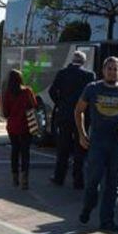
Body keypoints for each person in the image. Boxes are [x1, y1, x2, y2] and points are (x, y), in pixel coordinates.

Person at [76, 56, 118, 233]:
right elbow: (79, 111)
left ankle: (107, 220)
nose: (112, 71)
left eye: (115, 69)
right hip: (97, 142)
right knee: (93, 181)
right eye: (109, 68)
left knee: (113, 183)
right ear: (103, 70)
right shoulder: (92, 88)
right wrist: (81, 134)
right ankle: (87, 207)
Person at [49, 50, 96, 188]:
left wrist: (60, 103)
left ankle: (59, 177)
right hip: (82, 116)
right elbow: (92, 96)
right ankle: (78, 180)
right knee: (80, 148)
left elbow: (52, 91)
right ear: (83, 61)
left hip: (64, 115)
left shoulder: (62, 73)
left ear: (72, 60)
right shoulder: (89, 75)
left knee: (63, 148)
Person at [2, 69, 39, 189]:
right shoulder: (27, 91)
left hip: (12, 127)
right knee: (25, 153)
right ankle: (25, 179)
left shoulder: (7, 93)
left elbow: (5, 112)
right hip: (26, 126)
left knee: (14, 151)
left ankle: (15, 177)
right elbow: (34, 106)